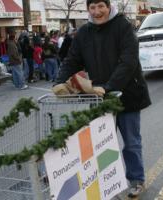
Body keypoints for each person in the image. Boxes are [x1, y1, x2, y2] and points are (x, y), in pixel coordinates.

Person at [54, 0, 151, 198]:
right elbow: (72, 60)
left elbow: (128, 61)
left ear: (108, 6)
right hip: (99, 98)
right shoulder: (84, 33)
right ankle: (108, 183)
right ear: (88, 9)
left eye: (101, 6)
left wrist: (108, 87)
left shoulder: (123, 26)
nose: (97, 12)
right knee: (101, 144)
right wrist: (58, 81)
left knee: (131, 143)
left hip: (127, 94)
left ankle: (136, 179)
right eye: (92, 7)